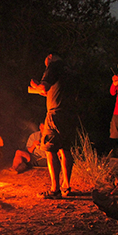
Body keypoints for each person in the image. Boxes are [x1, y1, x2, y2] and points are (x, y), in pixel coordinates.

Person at [29, 53, 77, 198]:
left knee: (50, 149)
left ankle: (54, 190)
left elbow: (44, 88)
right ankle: (66, 186)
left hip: (55, 113)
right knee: (65, 149)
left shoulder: (53, 66)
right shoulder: (69, 70)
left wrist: (36, 85)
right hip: (70, 114)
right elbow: (58, 92)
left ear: (50, 57)